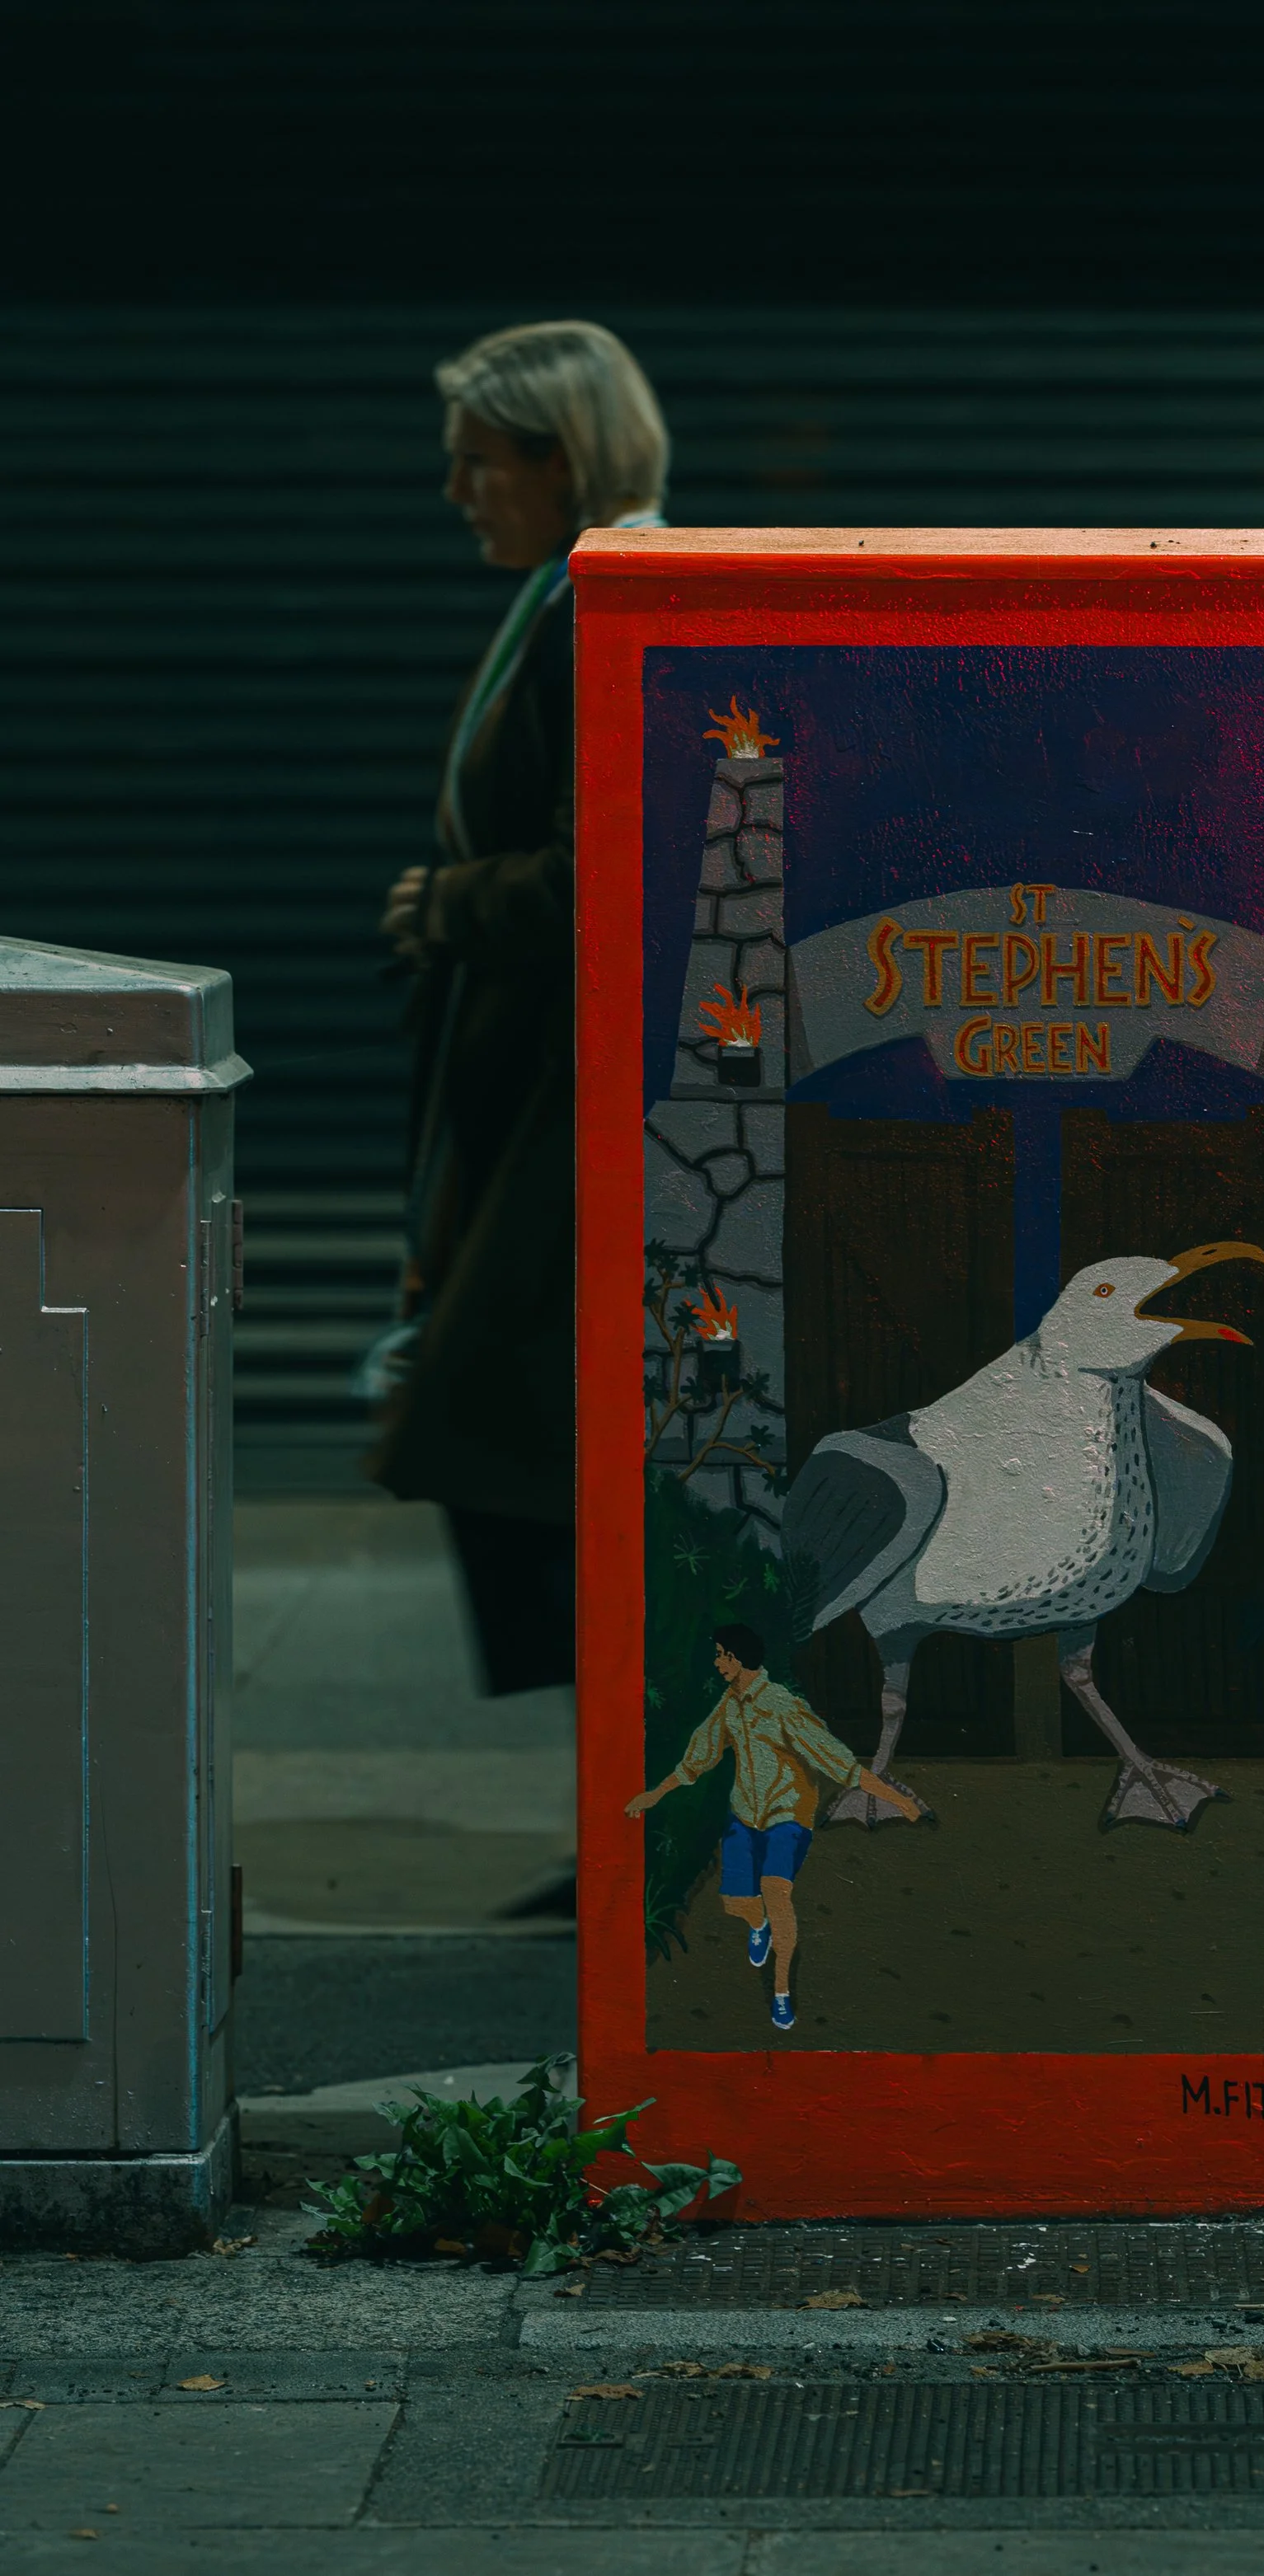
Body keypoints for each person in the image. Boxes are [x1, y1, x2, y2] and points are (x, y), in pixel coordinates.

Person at [367, 321, 668, 1699]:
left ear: (562, 460)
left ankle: (622, 1749)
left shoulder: (599, 609)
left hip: (565, 1101)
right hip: (528, 1091)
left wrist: (450, 902)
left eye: (478, 461)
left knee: (503, 1433)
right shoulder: (568, 596)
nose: (457, 493)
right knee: (512, 1438)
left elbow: (602, 860)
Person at [627, 1625, 920, 2030]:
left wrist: (899, 1800)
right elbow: (697, 1758)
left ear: (737, 1658)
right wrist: (654, 1795)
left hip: (788, 1816)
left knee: (776, 1893)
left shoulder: (783, 1706)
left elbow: (840, 1763)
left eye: (722, 1655)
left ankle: (781, 1991)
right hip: (745, 1816)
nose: (717, 1662)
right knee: (738, 1904)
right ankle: (757, 1924)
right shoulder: (729, 1706)